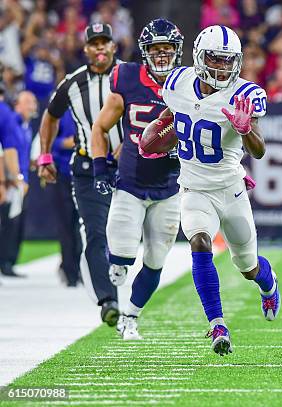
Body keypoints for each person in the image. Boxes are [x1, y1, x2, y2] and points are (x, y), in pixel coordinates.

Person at [159, 25, 280, 355]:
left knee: (248, 266)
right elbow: (174, 120)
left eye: (229, 61)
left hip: (231, 190)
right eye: (216, 58)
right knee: (199, 242)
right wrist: (157, 140)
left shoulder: (245, 94)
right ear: (200, 57)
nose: (223, 67)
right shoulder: (177, 83)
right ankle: (217, 324)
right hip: (194, 189)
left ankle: (268, 284)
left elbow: (258, 151)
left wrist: (245, 131)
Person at [91, 19, 184, 340]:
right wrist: (100, 166)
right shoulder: (127, 77)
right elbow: (100, 127)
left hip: (169, 186)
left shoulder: (189, 83)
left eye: (167, 49)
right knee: (120, 261)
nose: (161, 55)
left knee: (156, 260)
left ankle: (130, 316)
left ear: (177, 51)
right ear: (145, 52)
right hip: (131, 181)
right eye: (156, 49)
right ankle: (115, 265)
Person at [37, 23, 122, 326]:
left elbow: (153, 108)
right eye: (94, 44)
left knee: (129, 236)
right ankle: (108, 300)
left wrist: (131, 141)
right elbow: (50, 116)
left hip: (129, 168)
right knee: (96, 234)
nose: (100, 48)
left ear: (114, 46)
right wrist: (45, 155)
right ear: (85, 49)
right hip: (88, 169)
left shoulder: (130, 75)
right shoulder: (72, 83)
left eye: (104, 43)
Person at [0, 91, 37, 277]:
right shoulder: (10, 120)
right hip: (11, 181)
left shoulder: (26, 125)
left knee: (15, 223)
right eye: (28, 102)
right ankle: (5, 263)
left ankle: (9, 262)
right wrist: (13, 178)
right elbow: (7, 150)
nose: (33, 106)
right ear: (17, 104)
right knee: (8, 223)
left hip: (20, 180)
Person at [48, 111, 82, 287]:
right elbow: (48, 141)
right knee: (66, 224)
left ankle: (84, 269)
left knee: (85, 226)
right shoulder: (61, 112)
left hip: (85, 174)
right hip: (63, 174)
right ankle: (69, 270)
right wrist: (65, 143)